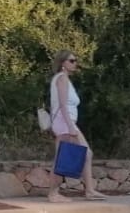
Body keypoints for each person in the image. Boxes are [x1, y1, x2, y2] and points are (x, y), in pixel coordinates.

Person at [45, 50, 107, 203]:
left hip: (67, 122)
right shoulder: (62, 79)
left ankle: (89, 190)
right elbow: (63, 105)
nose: (75, 63)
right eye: (71, 61)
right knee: (62, 158)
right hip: (65, 123)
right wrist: (70, 127)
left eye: (75, 60)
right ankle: (53, 193)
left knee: (86, 154)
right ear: (63, 63)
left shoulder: (64, 79)